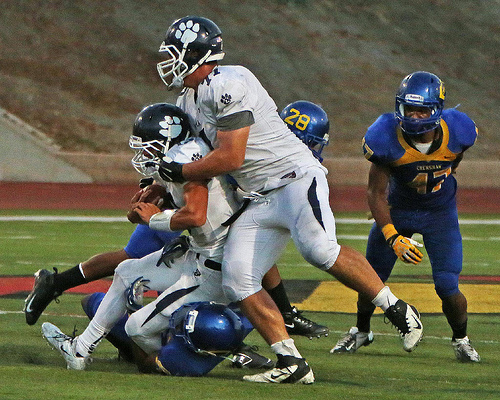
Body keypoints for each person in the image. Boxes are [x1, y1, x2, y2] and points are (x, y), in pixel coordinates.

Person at [155, 15, 423, 384]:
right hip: (258, 196)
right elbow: (197, 156)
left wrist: (180, 171)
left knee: (318, 249)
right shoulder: (188, 100)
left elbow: (231, 157)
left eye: (174, 53)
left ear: (196, 54)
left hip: (295, 178)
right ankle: (291, 362)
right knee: (238, 279)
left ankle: (396, 308)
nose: (167, 62)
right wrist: (161, 182)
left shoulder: (229, 83)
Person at [331, 71, 480, 362]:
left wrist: (442, 172)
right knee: (371, 277)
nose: (413, 116)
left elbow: (456, 156)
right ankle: (361, 331)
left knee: (447, 285)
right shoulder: (385, 135)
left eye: (421, 110)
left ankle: (461, 339)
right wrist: (392, 235)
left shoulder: (459, 129)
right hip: (398, 210)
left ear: (436, 110)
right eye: (408, 108)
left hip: (439, 213)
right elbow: (375, 192)